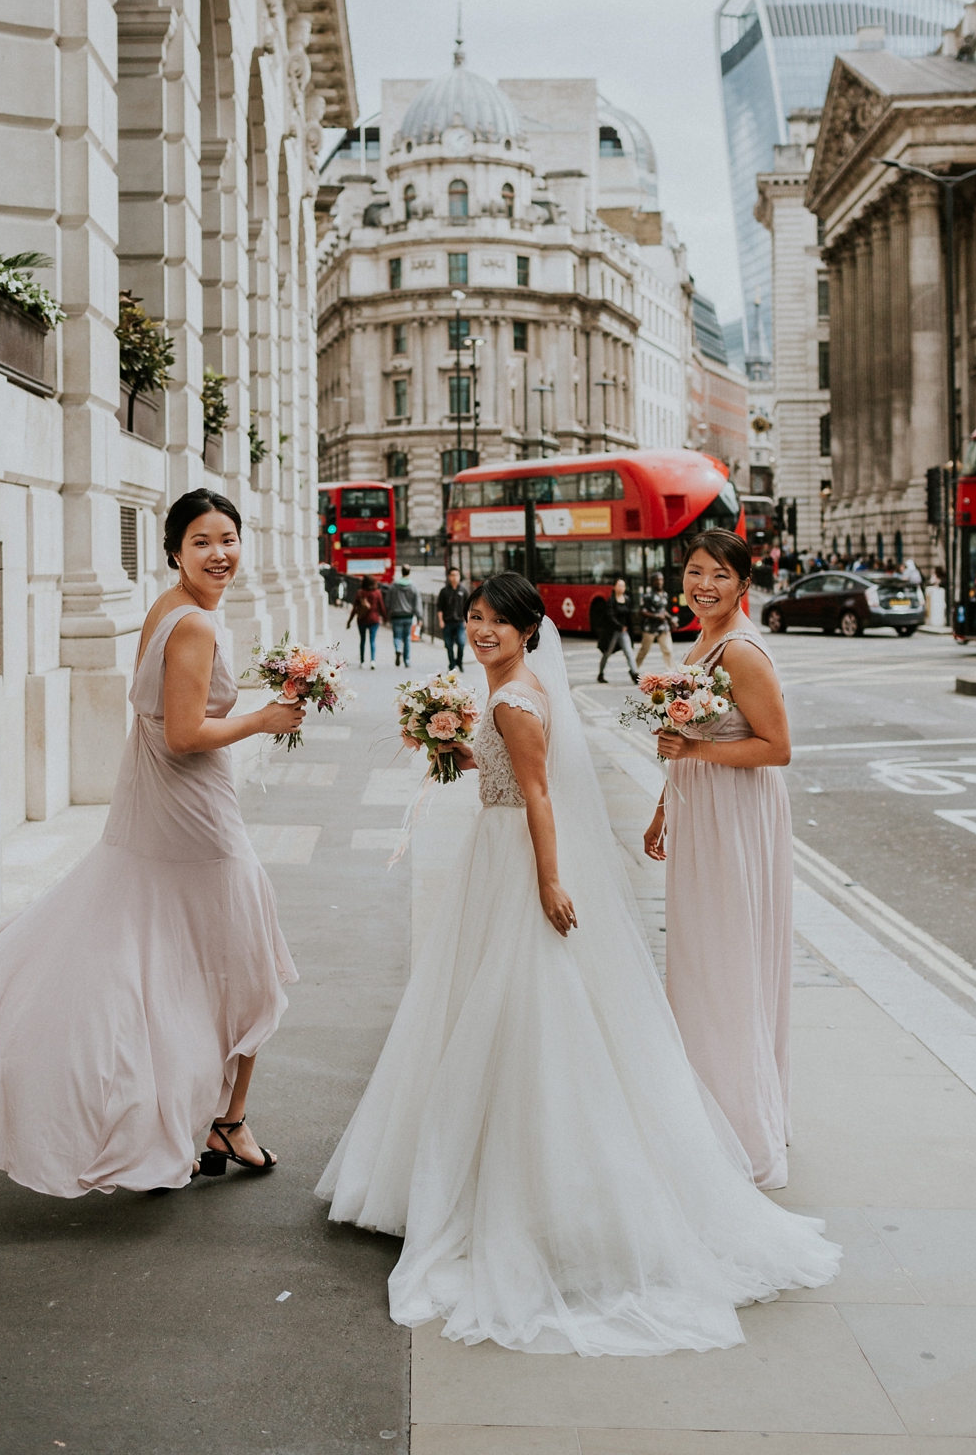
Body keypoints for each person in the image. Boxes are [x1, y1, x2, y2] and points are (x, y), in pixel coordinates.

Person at [318, 571, 839, 1356]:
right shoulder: (516, 693)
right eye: (475, 617)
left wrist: (550, 881)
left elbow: (537, 795)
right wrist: (454, 748)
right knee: (492, 1006)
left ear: (529, 631)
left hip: (514, 862)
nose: (481, 629)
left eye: (497, 621)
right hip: (496, 856)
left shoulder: (514, 699)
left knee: (522, 1009)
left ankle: (520, 1184)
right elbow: (506, 775)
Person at [0, 489, 305, 1195]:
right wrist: (264, 718)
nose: (220, 553)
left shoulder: (168, 609)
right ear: (174, 549)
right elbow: (182, 733)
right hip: (195, 815)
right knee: (245, 966)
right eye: (201, 541)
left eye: (228, 538)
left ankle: (210, 1117)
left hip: (162, 810)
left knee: (164, 963)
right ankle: (225, 1120)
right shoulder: (195, 625)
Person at [642, 530, 796, 1190]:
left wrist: (692, 757)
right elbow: (689, 736)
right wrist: (663, 806)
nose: (703, 584)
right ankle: (713, 1110)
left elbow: (777, 747)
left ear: (743, 585)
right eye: (695, 572)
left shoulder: (739, 651)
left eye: (719, 576)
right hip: (703, 813)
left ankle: (743, 1129)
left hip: (736, 821)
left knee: (726, 962)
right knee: (701, 961)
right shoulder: (699, 641)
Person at [595, 577, 639, 683]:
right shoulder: (611, 600)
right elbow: (610, 616)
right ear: (614, 587)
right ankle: (601, 673)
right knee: (607, 653)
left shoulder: (627, 599)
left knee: (629, 652)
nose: (621, 588)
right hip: (612, 631)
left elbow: (629, 616)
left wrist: (629, 629)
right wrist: (619, 626)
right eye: (619, 585)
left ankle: (634, 673)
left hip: (624, 632)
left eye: (623, 585)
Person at [384, 565, 423, 668]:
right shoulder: (413, 586)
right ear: (409, 572)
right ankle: (407, 660)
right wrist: (419, 617)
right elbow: (417, 603)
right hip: (408, 616)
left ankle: (398, 649)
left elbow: (387, 601)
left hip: (396, 615)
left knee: (397, 636)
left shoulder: (394, 586)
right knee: (407, 638)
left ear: (401, 572)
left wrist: (388, 613)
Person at [636, 571, 675, 669]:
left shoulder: (664, 595)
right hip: (650, 628)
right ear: (652, 582)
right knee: (644, 650)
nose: (659, 582)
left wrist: (671, 619)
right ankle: (634, 668)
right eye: (657, 580)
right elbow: (642, 612)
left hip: (663, 627)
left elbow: (663, 610)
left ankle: (671, 673)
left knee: (668, 650)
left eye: (661, 580)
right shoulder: (647, 596)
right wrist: (656, 616)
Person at [436, 566, 469, 671]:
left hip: (460, 622)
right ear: (449, 577)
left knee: (461, 643)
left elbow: (469, 607)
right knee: (448, 645)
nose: (454, 578)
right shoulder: (444, 591)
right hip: (447, 622)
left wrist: (467, 620)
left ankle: (459, 661)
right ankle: (452, 664)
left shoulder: (464, 590)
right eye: (452, 575)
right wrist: (441, 620)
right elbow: (439, 607)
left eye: (456, 575)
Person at [347, 578, 385, 667]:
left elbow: (355, 608)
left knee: (362, 640)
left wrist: (349, 621)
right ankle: (372, 660)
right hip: (374, 620)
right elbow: (381, 606)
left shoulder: (360, 593)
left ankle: (362, 661)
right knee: (372, 640)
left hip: (362, 619)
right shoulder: (377, 592)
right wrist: (385, 617)